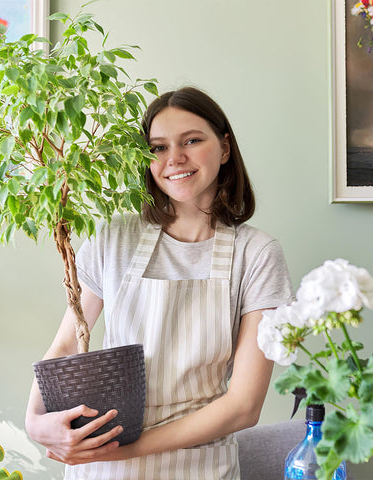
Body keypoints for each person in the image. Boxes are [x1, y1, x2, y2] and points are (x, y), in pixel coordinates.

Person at [25, 86, 294, 479]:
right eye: (158, 147)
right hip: (102, 466)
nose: (175, 159)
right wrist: (34, 422)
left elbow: (243, 406)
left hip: (196, 467)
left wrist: (124, 451)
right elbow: (67, 344)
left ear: (224, 148)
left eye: (191, 140)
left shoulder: (257, 253)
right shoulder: (113, 238)